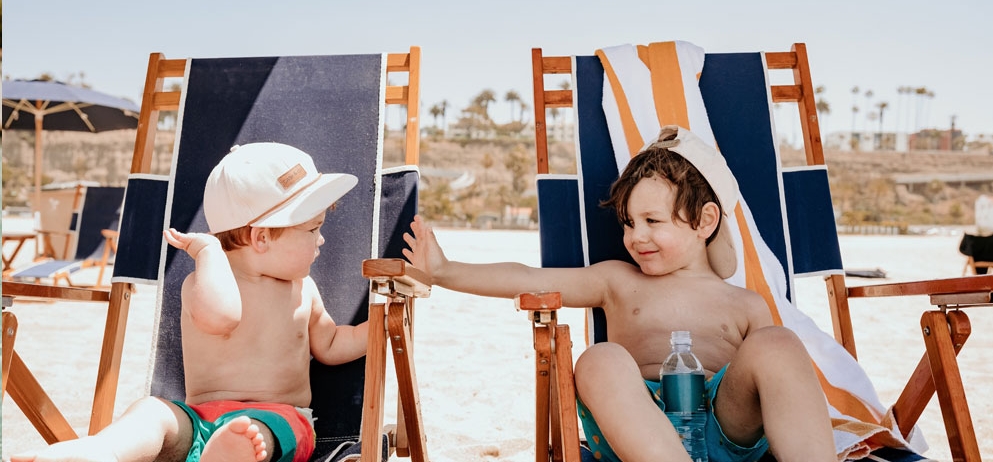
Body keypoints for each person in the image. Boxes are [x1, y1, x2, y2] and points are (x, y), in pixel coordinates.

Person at [403, 126, 836, 462]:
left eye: (652, 220)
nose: (636, 236)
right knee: (599, 358)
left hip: (728, 431)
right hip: (639, 432)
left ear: (705, 222)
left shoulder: (743, 303)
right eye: (629, 222)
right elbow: (527, 276)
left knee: (776, 344)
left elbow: (777, 391)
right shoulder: (617, 280)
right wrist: (443, 270)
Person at [11, 143, 368, 462]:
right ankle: (104, 451)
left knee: (259, 433)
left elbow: (332, 343)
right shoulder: (204, 282)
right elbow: (222, 318)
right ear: (260, 238)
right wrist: (208, 255)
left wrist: (380, 325)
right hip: (198, 420)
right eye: (312, 229)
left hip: (281, 418)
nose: (321, 240)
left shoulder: (303, 288)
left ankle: (229, 452)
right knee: (152, 411)